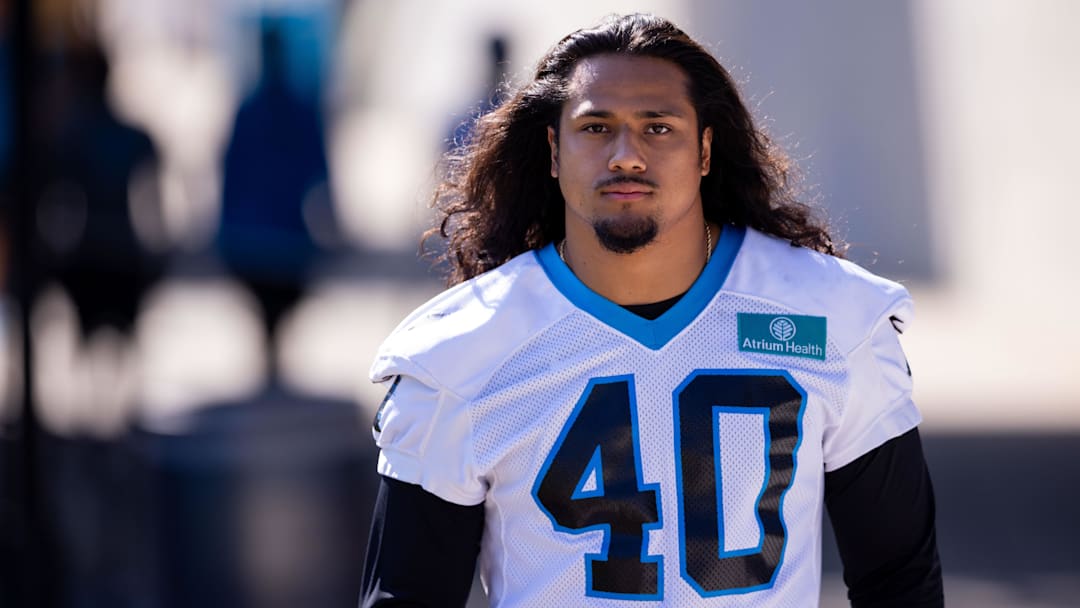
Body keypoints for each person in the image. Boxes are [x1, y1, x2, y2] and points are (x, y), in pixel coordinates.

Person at [361, 13, 943, 608]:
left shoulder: (832, 320)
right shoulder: (461, 354)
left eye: (658, 127)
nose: (626, 156)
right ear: (554, 151)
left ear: (705, 150)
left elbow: (899, 579)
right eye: (596, 128)